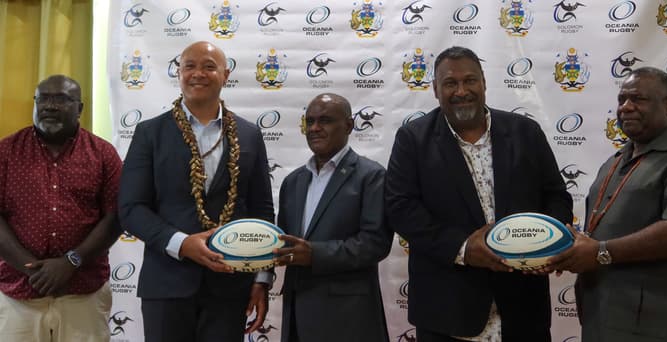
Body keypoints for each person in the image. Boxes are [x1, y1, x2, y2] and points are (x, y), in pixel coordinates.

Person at [385, 46, 573, 342]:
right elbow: (401, 208)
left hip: (524, 308)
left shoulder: (525, 132)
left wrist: (547, 244)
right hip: (447, 312)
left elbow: (556, 196)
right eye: (450, 83)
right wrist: (463, 248)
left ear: (484, 82)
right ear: (435, 89)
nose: (461, 91)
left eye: (470, 80)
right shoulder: (412, 139)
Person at [545, 67, 667, 342]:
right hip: (605, 318)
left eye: (638, 99)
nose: (626, 107)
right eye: (621, 100)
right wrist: (572, 249)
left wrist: (600, 253)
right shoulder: (614, 162)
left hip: (664, 325)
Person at [118, 41, 274, 342]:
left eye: (208, 66)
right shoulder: (150, 134)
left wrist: (262, 278)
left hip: (230, 288)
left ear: (226, 75)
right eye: (189, 66)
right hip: (166, 284)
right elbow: (131, 209)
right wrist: (182, 243)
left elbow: (262, 211)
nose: (197, 73)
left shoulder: (250, 135)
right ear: (179, 73)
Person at [0, 75, 122, 342]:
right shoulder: (6, 152)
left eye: (61, 99)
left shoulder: (103, 154)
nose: (50, 106)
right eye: (43, 98)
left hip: (83, 293)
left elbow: (115, 217)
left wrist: (71, 262)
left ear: (79, 108)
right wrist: (31, 268)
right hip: (19, 294)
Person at [274, 93, 392, 342]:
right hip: (297, 312)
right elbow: (282, 241)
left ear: (349, 125)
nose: (315, 128)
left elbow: (375, 244)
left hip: (349, 318)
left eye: (325, 120)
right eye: (310, 121)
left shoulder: (372, 176)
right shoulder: (293, 181)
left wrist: (315, 254)